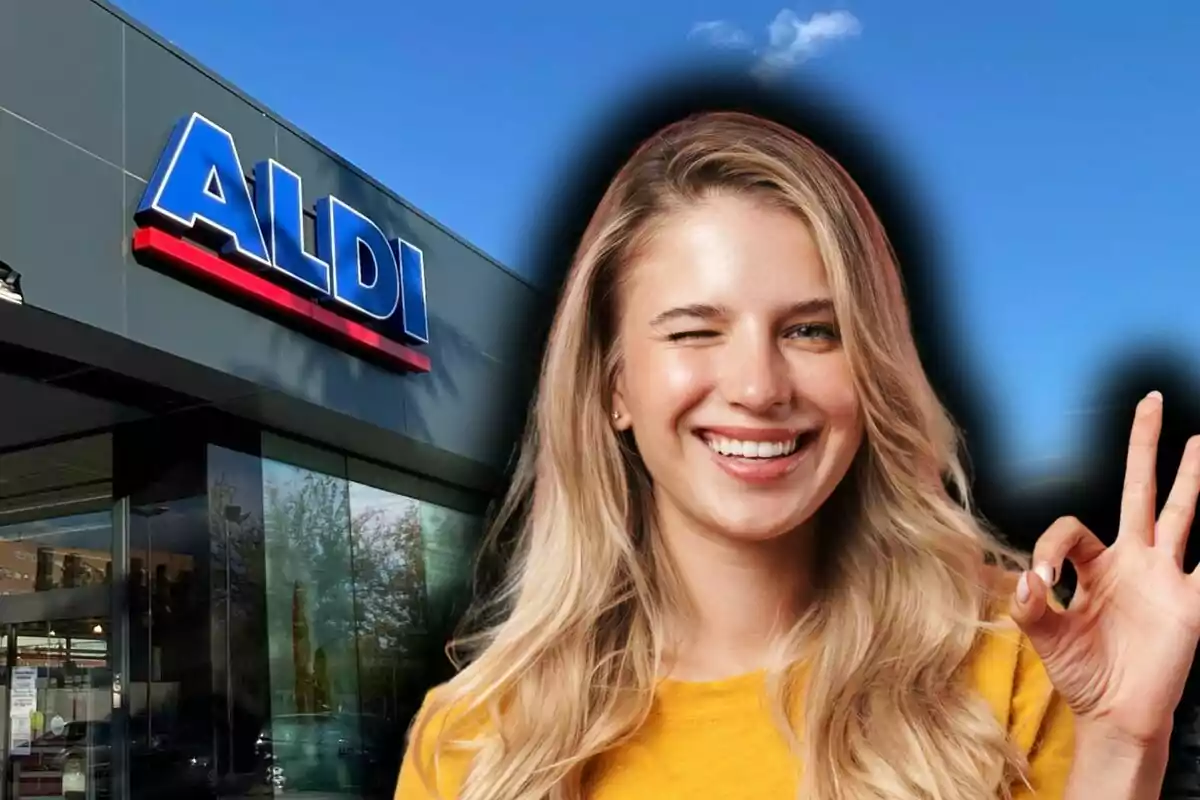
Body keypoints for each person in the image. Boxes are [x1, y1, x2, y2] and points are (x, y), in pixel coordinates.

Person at [394, 111, 1200, 800]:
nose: (757, 386)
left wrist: (1126, 746)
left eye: (812, 330)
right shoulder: (471, 744)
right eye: (694, 330)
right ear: (614, 388)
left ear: (873, 368)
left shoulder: (1013, 663)